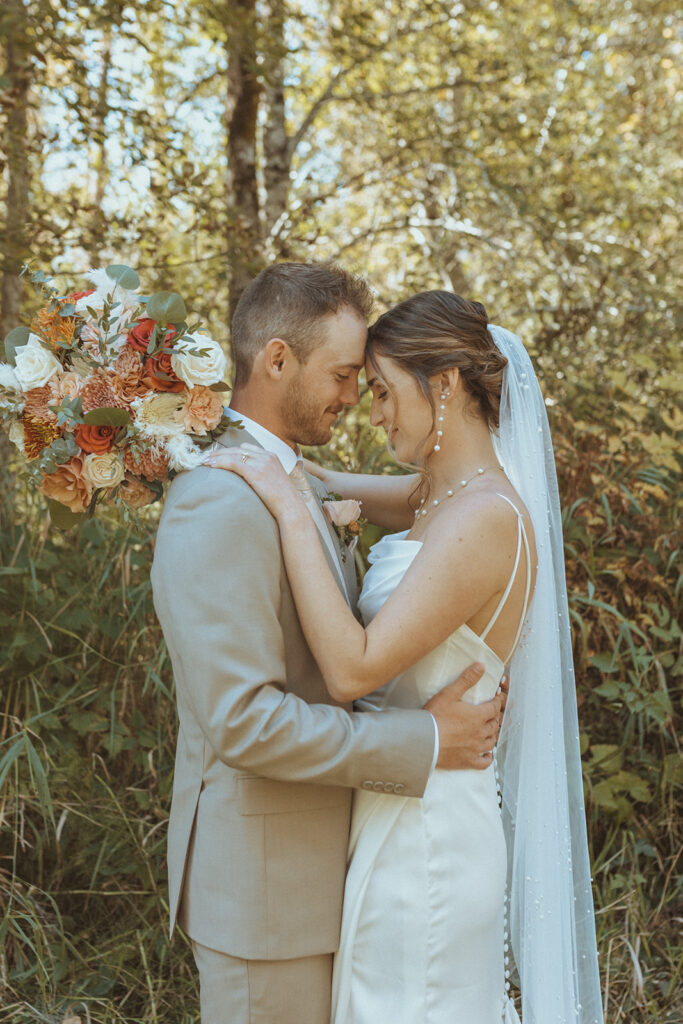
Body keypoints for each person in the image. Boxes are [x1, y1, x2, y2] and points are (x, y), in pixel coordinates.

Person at [204, 289, 604, 1024]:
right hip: (402, 806)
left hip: (430, 844)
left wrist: (292, 513)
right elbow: (305, 475)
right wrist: (200, 442)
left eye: (385, 390)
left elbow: (355, 669)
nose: (373, 409)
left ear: (444, 383)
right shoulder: (437, 497)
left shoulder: (482, 517)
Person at [150, 264, 506, 1024]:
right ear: (277, 360)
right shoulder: (219, 500)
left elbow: (431, 496)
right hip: (266, 897)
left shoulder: (289, 481)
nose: (355, 398)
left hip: (338, 873)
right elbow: (244, 722)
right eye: (346, 375)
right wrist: (425, 740)